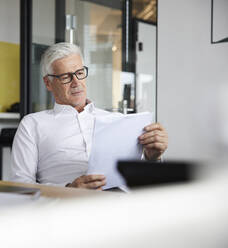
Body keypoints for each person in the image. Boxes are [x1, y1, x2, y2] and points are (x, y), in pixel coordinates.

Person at [11, 42, 168, 190]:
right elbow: (21, 185)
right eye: (66, 77)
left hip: (120, 205)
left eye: (79, 73)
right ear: (48, 83)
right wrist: (68, 190)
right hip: (66, 208)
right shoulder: (32, 124)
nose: (76, 82)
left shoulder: (116, 120)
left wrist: (152, 157)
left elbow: (143, 179)